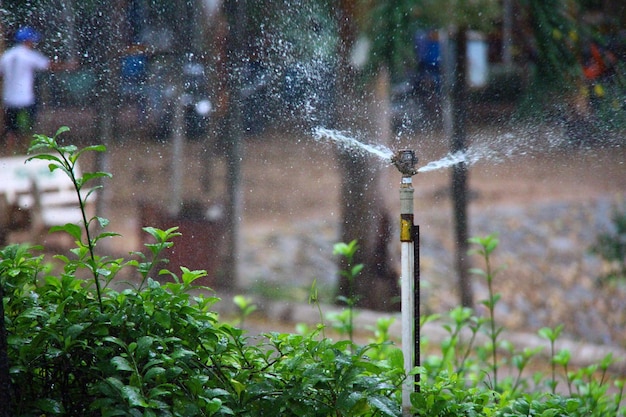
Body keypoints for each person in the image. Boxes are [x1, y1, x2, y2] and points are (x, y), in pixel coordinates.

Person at [0, 26, 76, 153]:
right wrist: (68, 66)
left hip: (9, 99)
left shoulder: (6, 56)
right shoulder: (28, 55)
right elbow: (48, 65)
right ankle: (25, 152)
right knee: (27, 129)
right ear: (27, 41)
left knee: (11, 131)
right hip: (25, 99)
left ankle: (9, 154)